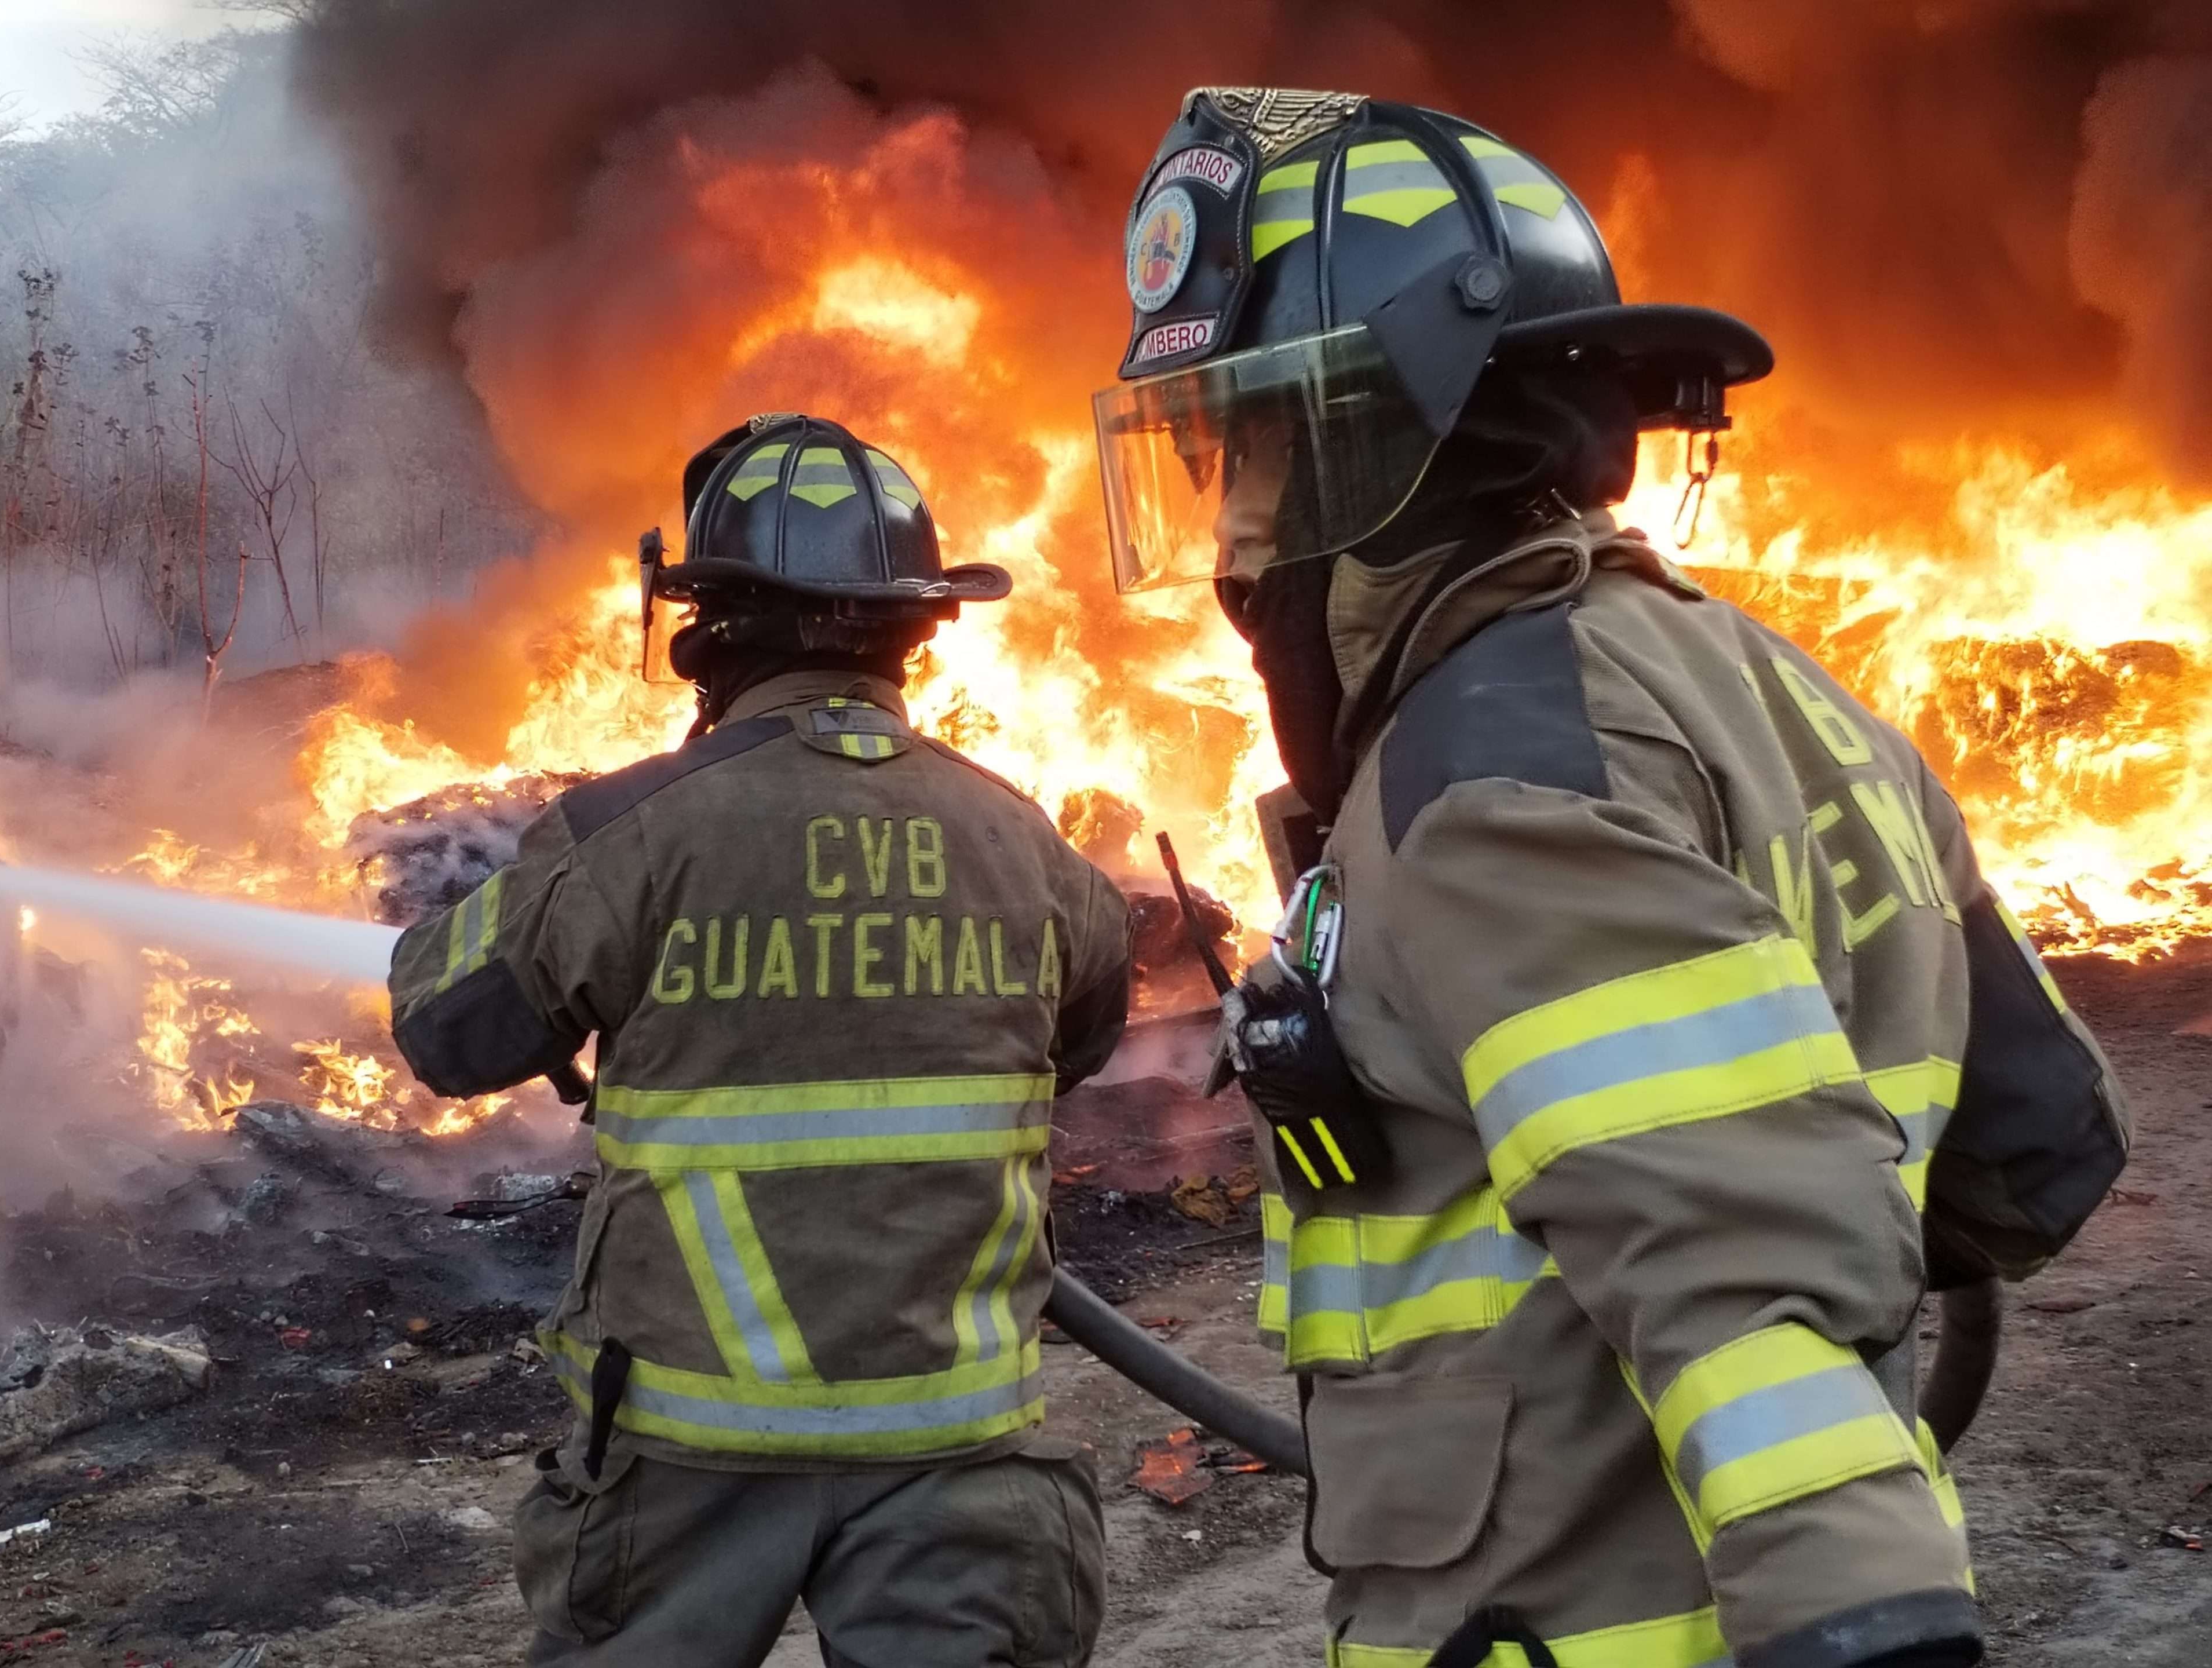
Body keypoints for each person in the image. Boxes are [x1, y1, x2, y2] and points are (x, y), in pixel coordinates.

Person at [1093, 87, 2131, 1668]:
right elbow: (2031, 1144)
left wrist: (1864, 1622)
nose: (1232, 538)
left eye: (1247, 450)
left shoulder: (1489, 777)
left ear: (1373, 443)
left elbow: (1734, 1254)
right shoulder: (1774, 688)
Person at [388, 414, 1130, 1668]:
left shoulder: (631, 831)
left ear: (709, 629)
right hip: (957, 1456)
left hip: (689, 1459)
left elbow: (446, 1032)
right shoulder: (1025, 841)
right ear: (915, 628)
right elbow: (1086, 1039)